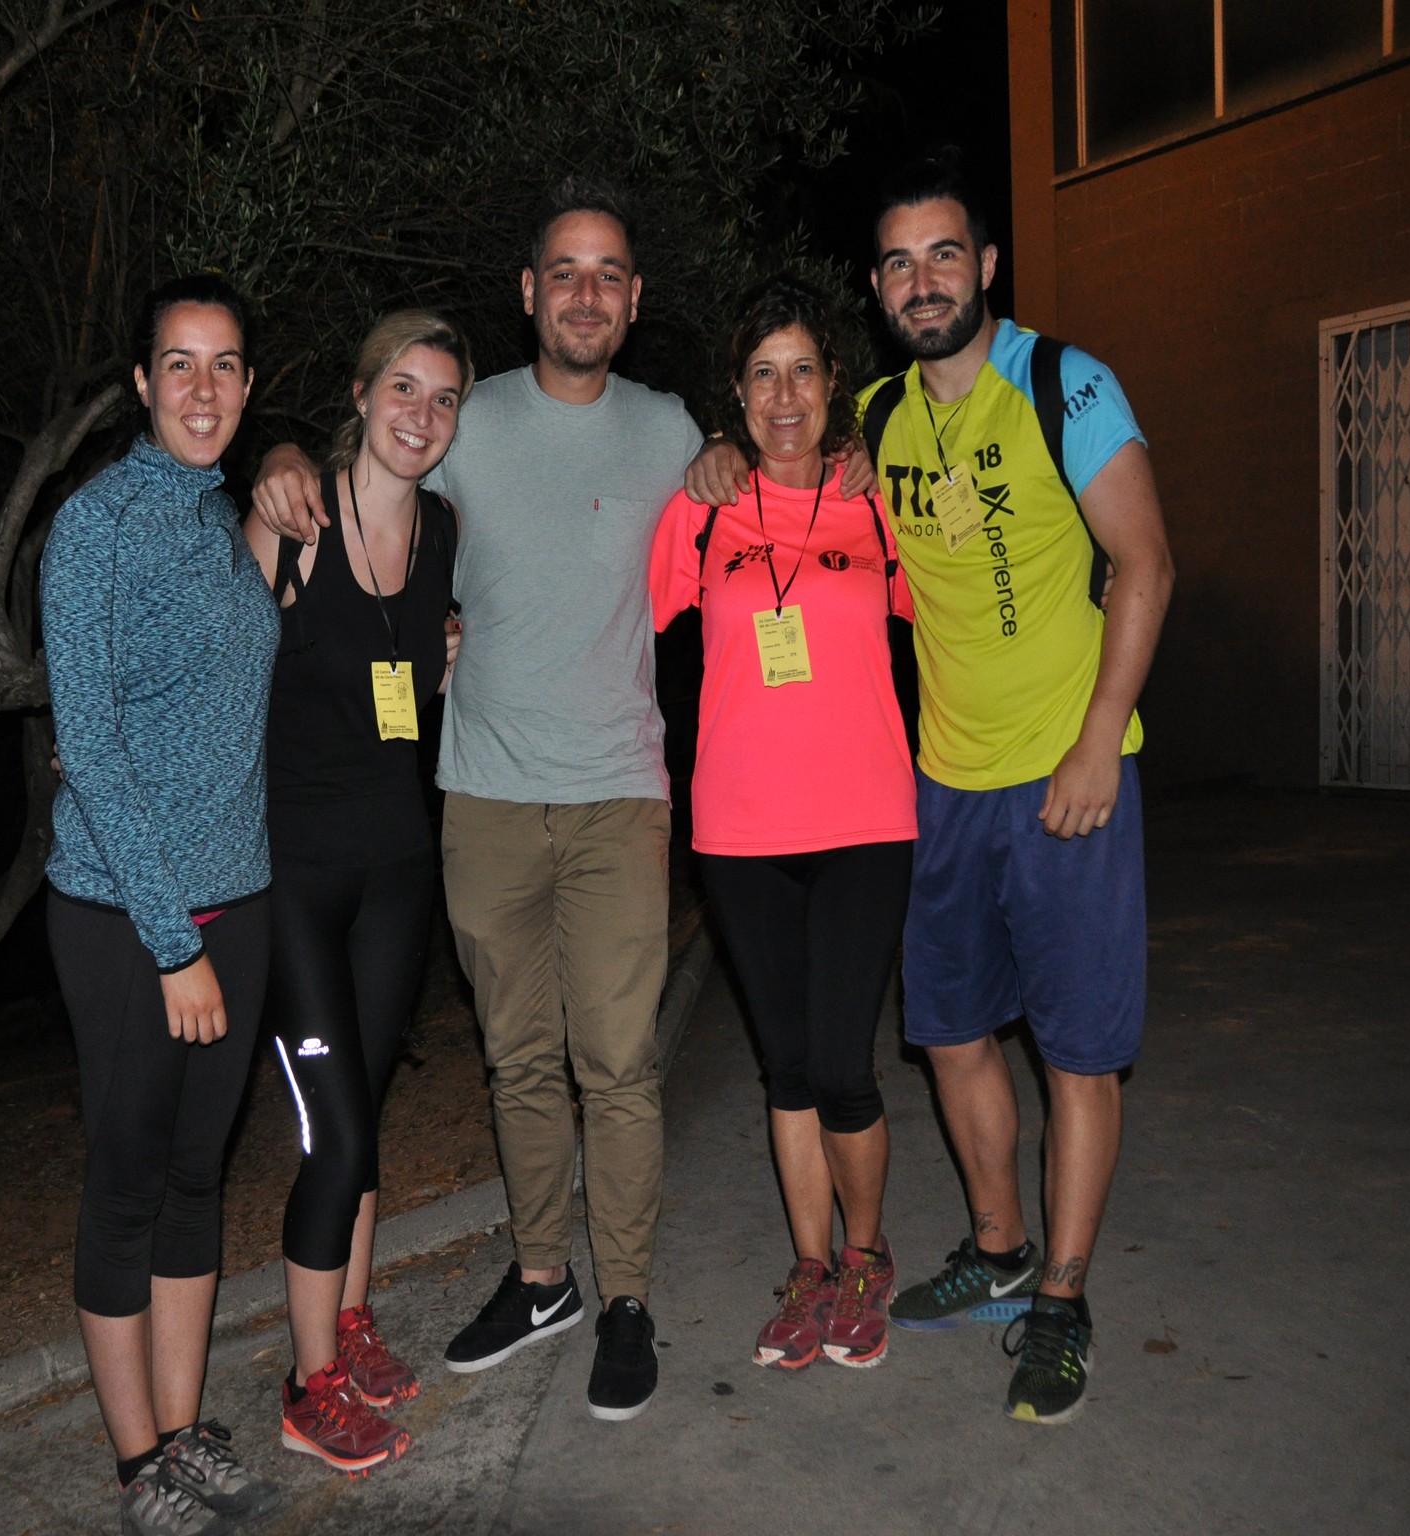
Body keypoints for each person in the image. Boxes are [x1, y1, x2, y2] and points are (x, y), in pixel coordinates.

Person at [686, 147, 1175, 1426]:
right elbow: (787, 476)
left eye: (943, 254)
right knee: (949, 1034)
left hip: (1066, 775)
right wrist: (716, 458)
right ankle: (998, 1250)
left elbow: (1144, 563)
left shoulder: (1065, 384)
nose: (922, 281)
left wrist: (1097, 738)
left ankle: (1060, 1298)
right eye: (898, 263)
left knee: (1074, 1051)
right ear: (876, 286)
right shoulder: (877, 423)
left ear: (986, 264)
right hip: (940, 785)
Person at [254, 177, 707, 1423]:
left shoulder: (670, 431)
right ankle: (542, 1278)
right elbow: (369, 471)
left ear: (633, 300)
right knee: (516, 1060)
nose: (584, 294)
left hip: (616, 793)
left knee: (615, 1062)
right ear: (527, 292)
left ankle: (625, 1301)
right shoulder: (467, 420)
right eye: (563, 271)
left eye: (607, 274)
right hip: (483, 797)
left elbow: (756, 494)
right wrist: (280, 455)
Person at [42, 274, 282, 1536]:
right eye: (178, 364)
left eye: (225, 364)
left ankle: (184, 1436)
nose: (202, 388)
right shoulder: (95, 527)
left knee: (197, 1178)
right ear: (141, 383)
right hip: (127, 921)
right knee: (129, 1183)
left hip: (238, 903)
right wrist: (173, 942)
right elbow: (89, 747)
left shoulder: (217, 518)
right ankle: (139, 1466)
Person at [650, 277, 916, 1377]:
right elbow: (624, 632)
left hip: (864, 821)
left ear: (832, 383)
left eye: (802, 369)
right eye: (762, 374)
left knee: (843, 1063)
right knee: (786, 1067)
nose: (785, 394)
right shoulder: (701, 510)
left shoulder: (877, 504)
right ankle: (809, 1269)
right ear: (737, 394)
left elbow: (949, 622)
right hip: (740, 829)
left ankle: (865, 1256)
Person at [242, 311, 472, 1475]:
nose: (420, 415)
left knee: (364, 1116)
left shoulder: (442, 532)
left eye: (442, 398)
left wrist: (446, 660)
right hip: (293, 879)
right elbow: (220, 686)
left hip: (396, 873)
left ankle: (349, 1318)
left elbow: (414, 681)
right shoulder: (292, 519)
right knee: (332, 1134)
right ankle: (307, 1384)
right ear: (360, 392)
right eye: (402, 388)